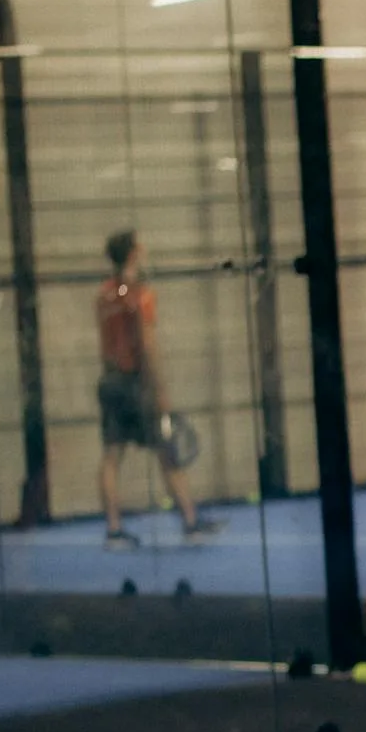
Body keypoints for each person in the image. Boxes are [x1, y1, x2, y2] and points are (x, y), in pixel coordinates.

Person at [95, 230, 218, 550]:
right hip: (136, 383)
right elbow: (147, 345)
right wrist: (159, 390)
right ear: (133, 254)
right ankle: (191, 524)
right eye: (140, 245)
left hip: (110, 382)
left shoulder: (104, 295)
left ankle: (113, 531)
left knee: (111, 456)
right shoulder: (140, 295)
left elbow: (106, 345)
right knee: (168, 452)